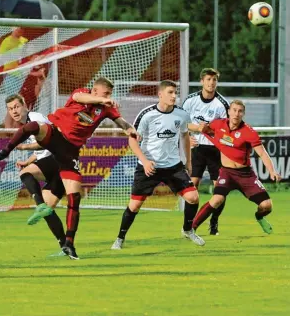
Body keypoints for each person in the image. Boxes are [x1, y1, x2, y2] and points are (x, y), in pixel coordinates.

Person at [0, 77, 137, 260]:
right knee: (34, 127)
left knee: (74, 198)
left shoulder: (106, 108)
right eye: (105, 93)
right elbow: (82, 98)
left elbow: (122, 123)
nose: (108, 97)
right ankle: (4, 152)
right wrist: (102, 99)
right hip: (56, 135)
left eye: (109, 95)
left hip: (70, 151)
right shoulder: (82, 93)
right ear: (95, 90)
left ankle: (68, 244)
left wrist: (131, 130)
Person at [111, 80, 205, 250]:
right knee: (135, 205)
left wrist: (188, 161)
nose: (174, 96)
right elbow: (132, 141)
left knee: (193, 197)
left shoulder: (182, 115)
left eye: (175, 92)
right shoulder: (146, 114)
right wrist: (145, 162)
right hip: (149, 166)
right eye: (170, 92)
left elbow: (184, 136)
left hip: (173, 167)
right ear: (160, 95)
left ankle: (187, 230)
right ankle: (120, 238)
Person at [190, 100, 281, 234]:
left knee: (266, 206)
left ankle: (259, 217)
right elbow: (201, 128)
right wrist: (192, 134)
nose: (236, 114)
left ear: (243, 114)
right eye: (234, 110)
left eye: (240, 111)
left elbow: (262, 152)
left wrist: (272, 171)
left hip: (245, 175)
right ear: (229, 111)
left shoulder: (248, 132)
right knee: (217, 199)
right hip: (226, 172)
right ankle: (191, 229)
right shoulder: (218, 124)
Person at [5, 94, 66, 250]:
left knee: (25, 174)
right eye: (11, 109)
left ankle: (39, 205)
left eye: (17, 106)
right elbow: (40, 150)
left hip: (57, 160)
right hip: (57, 166)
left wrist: (24, 148)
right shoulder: (27, 124)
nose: (14, 111)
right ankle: (65, 246)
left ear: (25, 106)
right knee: (48, 211)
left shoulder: (35, 118)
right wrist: (27, 161)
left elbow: (48, 142)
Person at [182, 68, 229, 235]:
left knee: (220, 190)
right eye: (208, 79)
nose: (211, 83)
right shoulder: (190, 101)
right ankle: (188, 226)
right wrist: (191, 135)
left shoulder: (222, 104)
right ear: (202, 81)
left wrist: (210, 131)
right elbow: (180, 123)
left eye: (214, 80)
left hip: (216, 151)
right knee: (192, 187)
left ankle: (214, 222)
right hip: (197, 149)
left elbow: (226, 131)